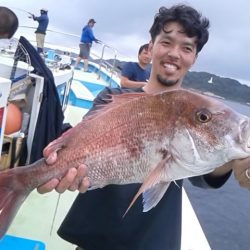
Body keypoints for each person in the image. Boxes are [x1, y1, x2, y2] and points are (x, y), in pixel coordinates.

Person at [37, 4, 250, 250]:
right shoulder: (110, 98)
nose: (175, 53)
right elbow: (81, 145)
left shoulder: (190, 111)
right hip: (94, 235)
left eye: (186, 48)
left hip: (150, 239)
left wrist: (235, 155)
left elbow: (203, 175)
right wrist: (62, 168)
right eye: (167, 42)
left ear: (194, 58)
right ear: (151, 47)